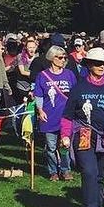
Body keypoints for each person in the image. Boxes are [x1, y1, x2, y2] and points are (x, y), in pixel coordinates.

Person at [63, 47, 104, 207]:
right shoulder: (78, 88)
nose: (101, 66)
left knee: (101, 175)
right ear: (88, 65)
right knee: (89, 172)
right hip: (84, 134)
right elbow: (67, 115)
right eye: (97, 63)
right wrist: (65, 135)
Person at [34, 45, 77, 181]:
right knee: (51, 148)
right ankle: (53, 171)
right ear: (52, 58)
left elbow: (75, 94)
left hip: (65, 116)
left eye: (65, 57)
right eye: (60, 57)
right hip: (49, 116)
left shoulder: (69, 74)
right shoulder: (43, 76)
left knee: (65, 145)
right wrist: (40, 110)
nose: (63, 60)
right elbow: (39, 95)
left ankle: (65, 170)